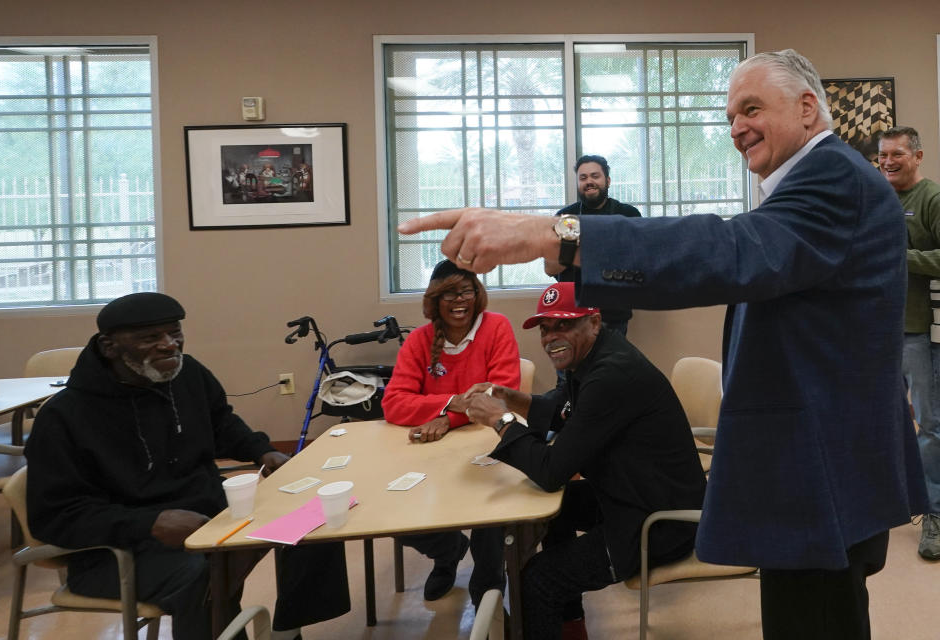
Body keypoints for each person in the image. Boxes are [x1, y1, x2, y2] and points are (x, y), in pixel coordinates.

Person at [400, 49, 928, 639]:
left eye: (752, 108)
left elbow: (728, 251)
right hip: (811, 463)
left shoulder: (831, 177)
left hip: (819, 468)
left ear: (808, 108)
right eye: (730, 116)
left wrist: (552, 232)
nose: (736, 128)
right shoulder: (813, 180)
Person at [24, 292, 350, 640]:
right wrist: (149, 523)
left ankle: (287, 632)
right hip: (118, 552)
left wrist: (263, 452)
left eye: (174, 333)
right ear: (109, 346)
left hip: (209, 517)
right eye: (150, 338)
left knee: (314, 517)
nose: (169, 345)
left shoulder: (187, 374)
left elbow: (221, 423)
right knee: (206, 573)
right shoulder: (64, 417)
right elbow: (54, 518)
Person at [462, 282, 705, 640]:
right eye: (545, 329)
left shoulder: (611, 375)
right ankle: (570, 626)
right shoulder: (595, 358)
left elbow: (550, 471)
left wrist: (501, 420)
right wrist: (509, 398)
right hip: (635, 492)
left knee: (538, 580)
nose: (550, 338)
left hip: (658, 522)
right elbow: (563, 408)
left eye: (563, 325)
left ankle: (562, 620)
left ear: (594, 321)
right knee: (551, 513)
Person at [381, 259, 521, 605]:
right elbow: (394, 403)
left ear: (478, 294)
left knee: (489, 517)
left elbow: (500, 395)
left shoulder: (497, 327)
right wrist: (453, 404)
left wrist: (446, 417)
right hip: (431, 452)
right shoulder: (419, 340)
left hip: (486, 445)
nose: (459, 301)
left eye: (467, 291)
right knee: (390, 510)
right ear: (433, 301)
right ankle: (448, 551)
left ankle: (486, 600)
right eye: (448, 294)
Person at [878, 125, 940, 559]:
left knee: (930, 426)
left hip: (917, 331)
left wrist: (900, 258)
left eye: (897, 154)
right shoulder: (878, 198)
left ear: (917, 156)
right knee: (881, 419)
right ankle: (887, 504)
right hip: (876, 332)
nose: (888, 161)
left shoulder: (931, 199)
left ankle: (934, 513)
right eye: (882, 155)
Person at [545, 154, 642, 335]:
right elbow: (550, 268)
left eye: (595, 176)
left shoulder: (628, 214)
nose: (589, 181)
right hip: (571, 314)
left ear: (608, 180)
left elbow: (640, 263)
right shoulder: (564, 218)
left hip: (613, 317)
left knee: (611, 364)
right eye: (583, 178)